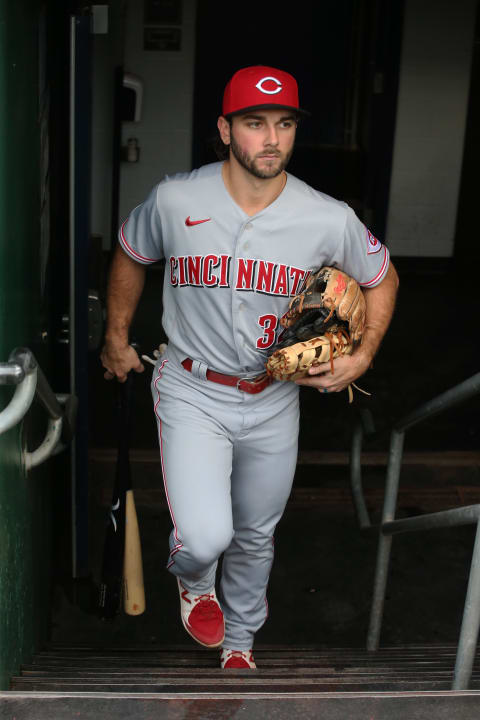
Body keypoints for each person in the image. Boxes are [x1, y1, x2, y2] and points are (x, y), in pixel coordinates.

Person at [100, 65, 399, 669]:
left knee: (257, 533)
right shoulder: (176, 198)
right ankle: (195, 582)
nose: (271, 139)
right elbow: (132, 253)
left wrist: (362, 353)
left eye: (284, 124)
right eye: (254, 123)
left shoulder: (326, 216)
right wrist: (116, 338)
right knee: (207, 537)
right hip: (192, 388)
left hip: (272, 395)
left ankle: (240, 640)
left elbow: (382, 277)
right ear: (225, 128)